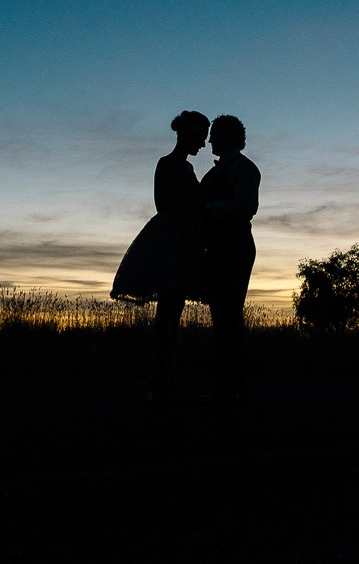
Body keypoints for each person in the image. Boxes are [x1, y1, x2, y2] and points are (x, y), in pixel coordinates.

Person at [110, 110, 209, 401]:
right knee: (166, 311)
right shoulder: (165, 164)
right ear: (187, 135)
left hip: (186, 239)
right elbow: (162, 203)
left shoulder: (190, 169)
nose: (202, 145)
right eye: (200, 138)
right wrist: (194, 205)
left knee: (174, 310)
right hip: (169, 240)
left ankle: (167, 375)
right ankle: (159, 375)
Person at [199, 113, 259, 402]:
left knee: (229, 316)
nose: (209, 140)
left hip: (234, 247)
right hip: (218, 248)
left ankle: (233, 386)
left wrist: (210, 208)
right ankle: (228, 384)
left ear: (227, 137)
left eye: (214, 134)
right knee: (221, 317)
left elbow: (247, 206)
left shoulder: (244, 169)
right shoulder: (216, 172)